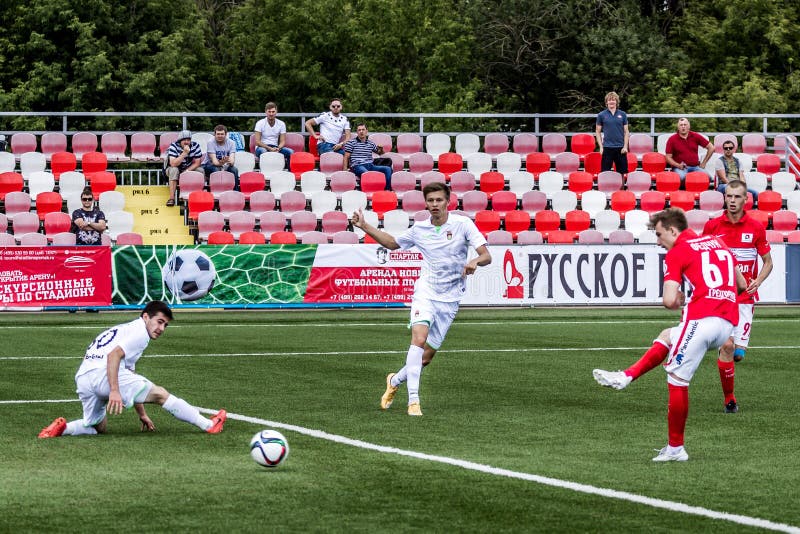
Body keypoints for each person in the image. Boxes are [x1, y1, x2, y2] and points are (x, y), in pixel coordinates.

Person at [593, 208, 745, 462]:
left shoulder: (677, 252)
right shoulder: (717, 241)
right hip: (727, 323)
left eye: (660, 234)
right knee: (668, 335)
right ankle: (626, 376)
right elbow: (740, 284)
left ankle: (676, 449)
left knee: (677, 380)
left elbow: (668, 301)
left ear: (673, 230)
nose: (658, 241)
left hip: (702, 320)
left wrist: (681, 299)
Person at [351, 182, 492, 416]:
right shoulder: (419, 229)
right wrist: (365, 225)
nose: (434, 204)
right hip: (426, 291)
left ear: (448, 201)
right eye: (430, 201)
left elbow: (486, 255)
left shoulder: (463, 224)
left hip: (450, 298)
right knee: (418, 338)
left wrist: (475, 262)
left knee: (425, 358)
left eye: (439, 200)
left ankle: (394, 381)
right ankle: (413, 402)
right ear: (425, 203)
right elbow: (392, 244)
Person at [38, 301, 227, 439]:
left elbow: (130, 376)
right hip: (102, 373)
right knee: (161, 395)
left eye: (165, 325)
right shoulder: (140, 334)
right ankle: (209, 425)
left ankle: (64, 429)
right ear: (146, 317)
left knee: (97, 426)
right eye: (159, 321)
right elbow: (113, 356)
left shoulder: (126, 329)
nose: (162, 328)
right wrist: (114, 391)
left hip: (84, 377)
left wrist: (142, 414)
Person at [704, 179, 772, 377]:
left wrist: (758, 281)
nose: (732, 200)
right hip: (721, 296)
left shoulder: (756, 228)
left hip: (745, 298)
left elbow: (768, 262)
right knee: (728, 346)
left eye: (737, 197)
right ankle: (724, 347)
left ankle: (728, 348)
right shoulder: (712, 226)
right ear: (724, 198)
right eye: (729, 196)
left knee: (738, 354)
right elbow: (703, 259)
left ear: (745, 199)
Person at [343, 123, 393, 190]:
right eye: (359, 130)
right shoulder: (351, 143)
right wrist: (345, 169)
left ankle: (387, 190)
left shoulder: (370, 143)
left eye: (363, 130)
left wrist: (381, 149)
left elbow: (380, 153)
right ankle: (367, 191)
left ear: (366, 131)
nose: (361, 131)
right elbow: (346, 157)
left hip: (370, 165)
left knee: (388, 169)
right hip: (358, 166)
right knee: (367, 174)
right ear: (357, 132)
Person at [664, 117, 714, 183]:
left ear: (689, 126)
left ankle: (697, 190)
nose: (683, 127)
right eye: (681, 125)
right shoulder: (672, 139)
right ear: (678, 127)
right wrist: (677, 165)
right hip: (680, 168)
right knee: (682, 178)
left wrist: (704, 163)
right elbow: (668, 157)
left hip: (695, 167)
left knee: (708, 178)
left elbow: (711, 148)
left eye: (685, 125)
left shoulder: (695, 136)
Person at [164, 130, 203, 207]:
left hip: (187, 168)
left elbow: (197, 162)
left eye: (188, 140)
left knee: (200, 170)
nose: (186, 142)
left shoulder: (195, 146)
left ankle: (199, 196)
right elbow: (173, 163)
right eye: (184, 140)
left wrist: (186, 171)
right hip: (172, 168)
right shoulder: (173, 146)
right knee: (174, 170)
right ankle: (171, 198)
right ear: (180, 141)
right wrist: (184, 153)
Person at [595, 91, 629, 174]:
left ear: (616, 102)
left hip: (620, 148)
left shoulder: (623, 114)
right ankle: (606, 187)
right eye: (609, 100)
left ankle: (621, 187)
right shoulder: (601, 115)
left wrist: (625, 146)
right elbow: (597, 131)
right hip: (607, 147)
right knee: (605, 172)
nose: (611, 101)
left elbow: (626, 131)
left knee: (622, 172)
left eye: (613, 100)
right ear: (606, 102)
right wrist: (601, 147)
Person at [253, 102, 294, 170]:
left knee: (291, 152)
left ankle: (290, 174)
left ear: (276, 112)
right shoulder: (260, 123)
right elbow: (257, 142)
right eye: (269, 112)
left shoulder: (281, 124)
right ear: (266, 112)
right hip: (261, 147)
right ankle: (265, 173)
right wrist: (269, 148)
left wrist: (278, 148)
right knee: (264, 152)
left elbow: (283, 141)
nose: (271, 114)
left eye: (273, 111)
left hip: (275, 147)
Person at [202, 124, 240, 190]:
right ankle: (216, 192)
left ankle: (235, 192)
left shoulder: (232, 143)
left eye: (222, 134)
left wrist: (227, 162)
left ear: (226, 134)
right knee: (216, 169)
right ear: (215, 134)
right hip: (209, 165)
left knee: (234, 170)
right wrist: (222, 163)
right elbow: (215, 162)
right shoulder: (210, 142)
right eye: (218, 134)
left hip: (224, 165)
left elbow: (232, 161)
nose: (220, 136)